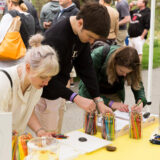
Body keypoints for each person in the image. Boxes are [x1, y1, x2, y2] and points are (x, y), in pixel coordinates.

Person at [35, 3, 113, 133]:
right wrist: (75, 97)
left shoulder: (82, 36)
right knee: (48, 142)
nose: (91, 42)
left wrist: (98, 100)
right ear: (80, 23)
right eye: (90, 37)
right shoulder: (55, 38)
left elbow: (87, 68)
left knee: (56, 135)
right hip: (46, 95)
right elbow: (45, 79)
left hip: (60, 93)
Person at [0, 33, 59, 136]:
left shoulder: (36, 85)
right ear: (28, 68)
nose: (46, 83)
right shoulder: (4, 83)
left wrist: (40, 131)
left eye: (50, 78)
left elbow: (27, 111)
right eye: (43, 77)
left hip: (12, 143)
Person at [79, 44, 147, 113]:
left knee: (114, 121)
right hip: (92, 95)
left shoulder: (131, 62)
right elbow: (85, 90)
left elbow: (137, 85)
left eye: (128, 73)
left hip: (113, 93)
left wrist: (140, 101)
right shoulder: (97, 56)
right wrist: (110, 103)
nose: (124, 75)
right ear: (114, 63)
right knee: (93, 121)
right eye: (121, 71)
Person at [0, 0, 35, 67]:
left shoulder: (9, 16)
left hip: (8, 62)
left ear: (10, 2)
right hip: (23, 61)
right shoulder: (30, 17)